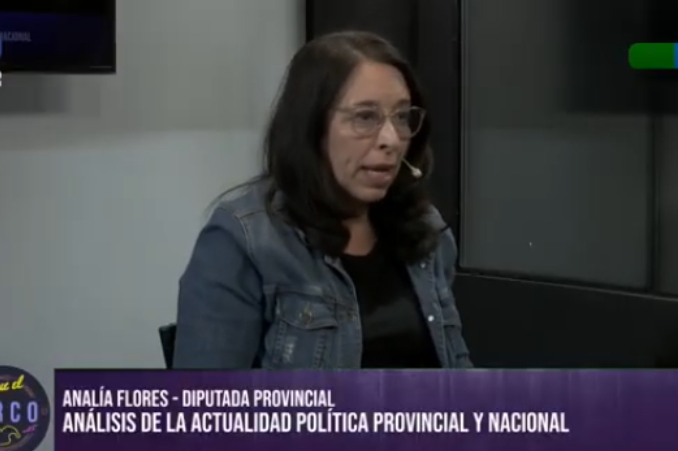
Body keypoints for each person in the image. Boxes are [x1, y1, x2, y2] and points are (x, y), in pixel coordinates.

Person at [174, 30, 472, 373]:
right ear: (312, 127)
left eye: (402, 117)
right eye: (365, 117)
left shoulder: (424, 226)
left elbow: (456, 367)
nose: (391, 140)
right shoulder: (242, 241)